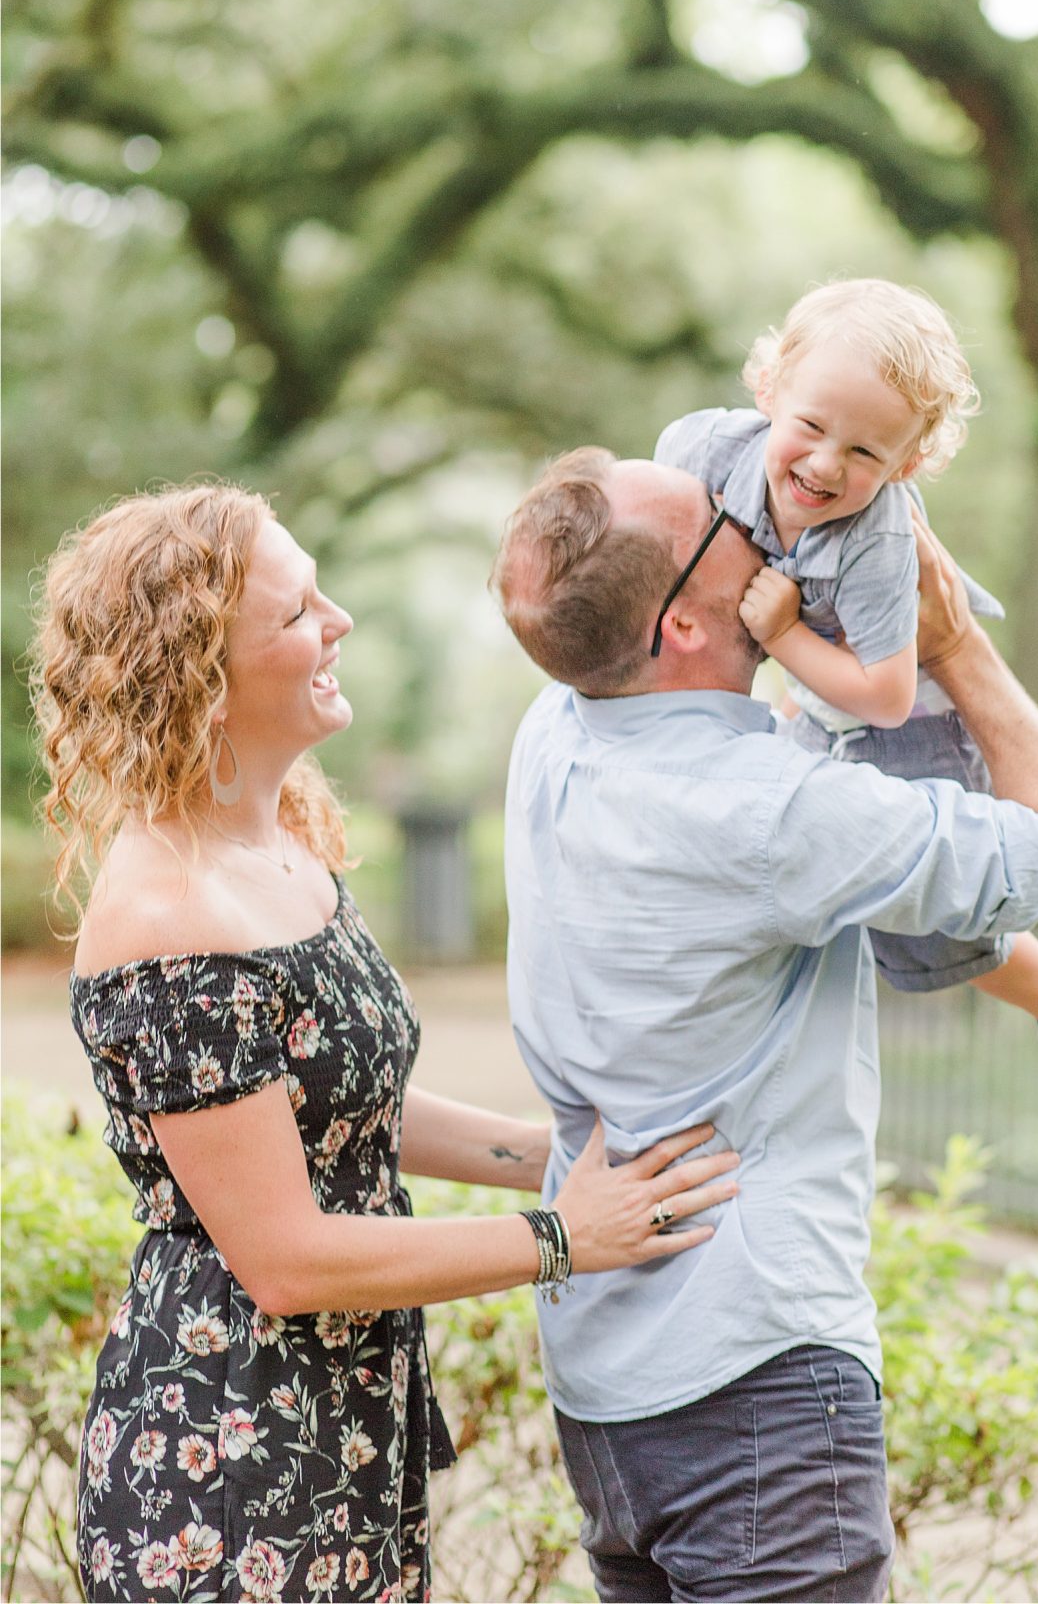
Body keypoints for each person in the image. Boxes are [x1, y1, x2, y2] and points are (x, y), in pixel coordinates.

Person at [31, 484, 740, 1604]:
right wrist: (561, 1233)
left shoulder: (283, 835)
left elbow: (339, 1113)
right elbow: (288, 1255)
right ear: (201, 680)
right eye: (296, 612)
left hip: (339, 1430)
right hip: (226, 1464)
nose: (338, 621)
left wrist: (553, 1153)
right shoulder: (165, 915)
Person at [491, 446, 1038, 1602]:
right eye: (725, 512)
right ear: (683, 622)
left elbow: (617, 583)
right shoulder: (769, 814)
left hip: (605, 1392)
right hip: (758, 1391)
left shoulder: (559, 724)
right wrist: (950, 642)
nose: (759, 512)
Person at [654, 278, 1038, 1084]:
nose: (827, 463)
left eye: (867, 452)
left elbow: (886, 692)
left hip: (907, 717)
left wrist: (785, 634)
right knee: (805, 873)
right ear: (770, 388)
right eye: (810, 425)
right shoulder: (701, 453)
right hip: (818, 698)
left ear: (908, 461)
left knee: (933, 918)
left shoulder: (877, 540)